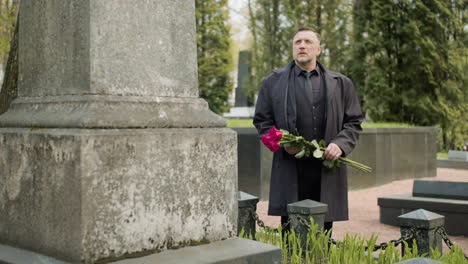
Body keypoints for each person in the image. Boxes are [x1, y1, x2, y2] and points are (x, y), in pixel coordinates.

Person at [253, 26, 364, 233]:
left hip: (326, 166)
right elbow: (262, 121)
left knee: (323, 232)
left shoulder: (342, 84)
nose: (302, 45)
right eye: (297, 42)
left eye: (308, 42)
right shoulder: (272, 83)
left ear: (318, 49)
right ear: (293, 48)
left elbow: (354, 122)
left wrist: (340, 145)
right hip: (290, 166)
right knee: (290, 232)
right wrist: (282, 144)